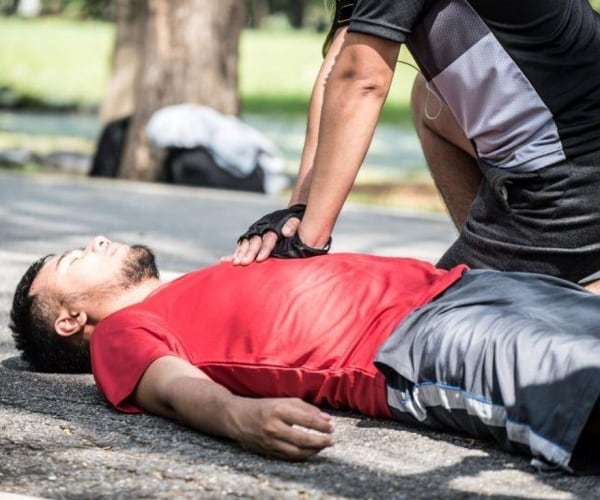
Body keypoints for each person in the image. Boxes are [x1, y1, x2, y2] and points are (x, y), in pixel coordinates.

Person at [9, 235, 600, 473]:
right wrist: (240, 418)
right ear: (70, 319)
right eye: (74, 259)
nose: (96, 242)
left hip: (460, 285)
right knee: (580, 383)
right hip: (408, 346)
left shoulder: (204, 279)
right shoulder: (121, 332)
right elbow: (167, 384)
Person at [231, 0, 600, 284]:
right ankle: (499, 255)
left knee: (412, 344)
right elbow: (343, 64)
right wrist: (299, 213)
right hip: (572, 157)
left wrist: (307, 244)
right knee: (427, 99)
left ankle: (550, 283)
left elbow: (363, 80)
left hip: (576, 180)